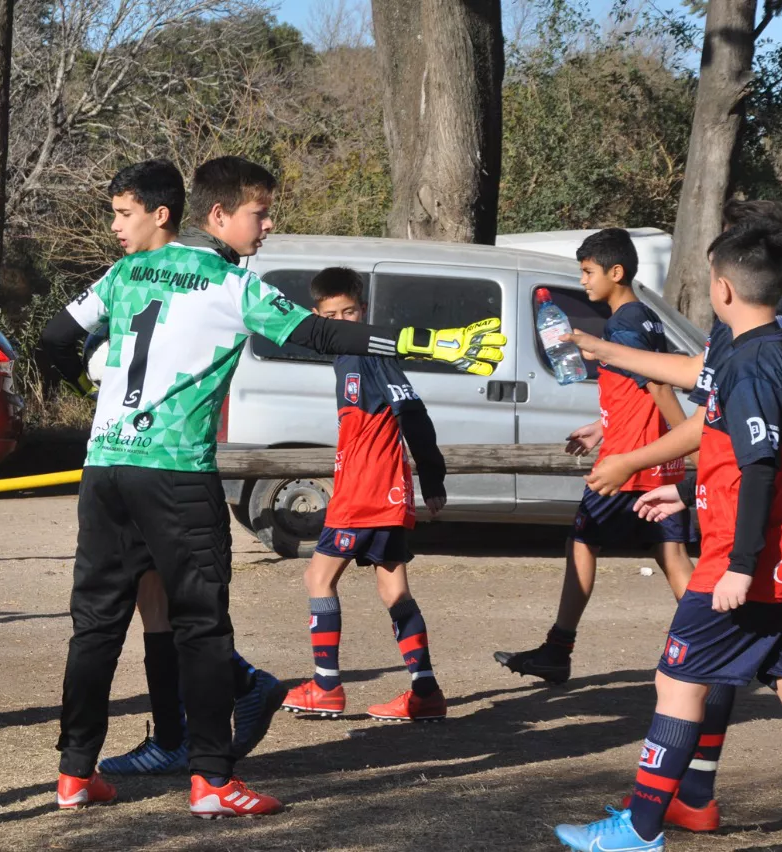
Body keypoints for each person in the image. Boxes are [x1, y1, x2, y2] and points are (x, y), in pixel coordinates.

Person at [41, 155, 506, 817]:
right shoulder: (230, 284)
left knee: (94, 627)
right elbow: (322, 333)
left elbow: (53, 338)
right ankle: (211, 781)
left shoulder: (124, 272)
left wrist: (96, 380)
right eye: (260, 213)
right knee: (202, 629)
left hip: (105, 469)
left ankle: (74, 775)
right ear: (219, 215)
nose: (267, 226)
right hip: (176, 476)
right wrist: (430, 342)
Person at [553, 219, 782, 852]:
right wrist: (690, 493)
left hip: (749, 560)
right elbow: (747, 441)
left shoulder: (748, 364)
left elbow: (759, 466)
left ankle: (640, 829)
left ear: (722, 290)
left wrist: (740, 564)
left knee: (677, 681)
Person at [83, 159, 286, 777]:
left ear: (162, 216)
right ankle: (196, 721)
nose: (116, 227)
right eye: (116, 215)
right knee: (155, 600)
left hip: (165, 464)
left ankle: (204, 725)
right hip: (124, 457)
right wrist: (100, 376)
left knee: (178, 605)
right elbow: (76, 339)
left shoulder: (213, 275)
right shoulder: (131, 274)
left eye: (125, 214)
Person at [495, 228, 691, 685]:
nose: (583, 281)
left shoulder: (624, 325)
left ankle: (557, 650)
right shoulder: (643, 317)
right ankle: (717, 645)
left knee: (583, 541)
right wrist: (604, 426)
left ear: (615, 272)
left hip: (628, 465)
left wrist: (687, 436)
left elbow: (658, 384)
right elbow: (635, 390)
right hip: (651, 459)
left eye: (588, 272)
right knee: (672, 554)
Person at [279, 267, 449, 722]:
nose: (342, 322)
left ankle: (326, 687)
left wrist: (433, 476)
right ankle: (425, 693)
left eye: (349, 313)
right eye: (331, 316)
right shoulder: (353, 357)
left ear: (364, 310)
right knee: (394, 588)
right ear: (317, 317)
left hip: (364, 493)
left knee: (318, 578)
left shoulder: (368, 355)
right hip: (386, 493)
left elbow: (413, 414)